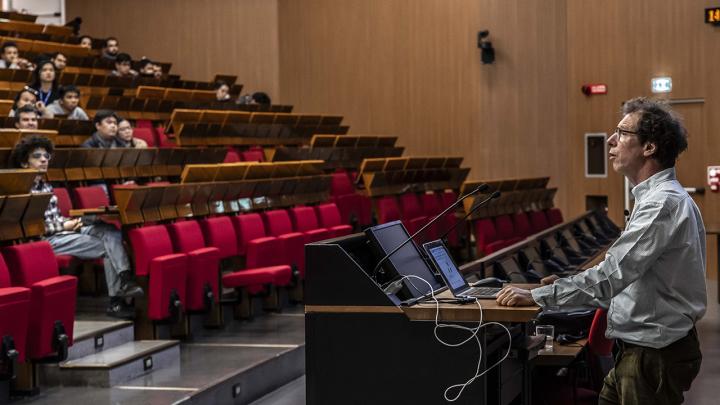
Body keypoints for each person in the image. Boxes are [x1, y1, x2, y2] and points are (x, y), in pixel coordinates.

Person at [497, 97, 706, 405]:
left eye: (622, 133)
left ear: (649, 147)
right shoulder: (656, 199)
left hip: (653, 355)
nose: (611, 140)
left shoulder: (662, 204)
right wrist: (566, 281)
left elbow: (611, 277)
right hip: (639, 350)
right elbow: (630, 271)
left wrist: (537, 297)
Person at [11, 135, 143, 319]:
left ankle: (126, 280)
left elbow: (55, 216)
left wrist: (74, 222)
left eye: (46, 156)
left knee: (110, 230)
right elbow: (31, 227)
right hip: (48, 240)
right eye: (37, 156)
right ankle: (117, 299)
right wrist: (64, 225)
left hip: (64, 231)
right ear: (25, 163)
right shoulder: (23, 189)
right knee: (109, 248)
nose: (43, 159)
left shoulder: (45, 185)